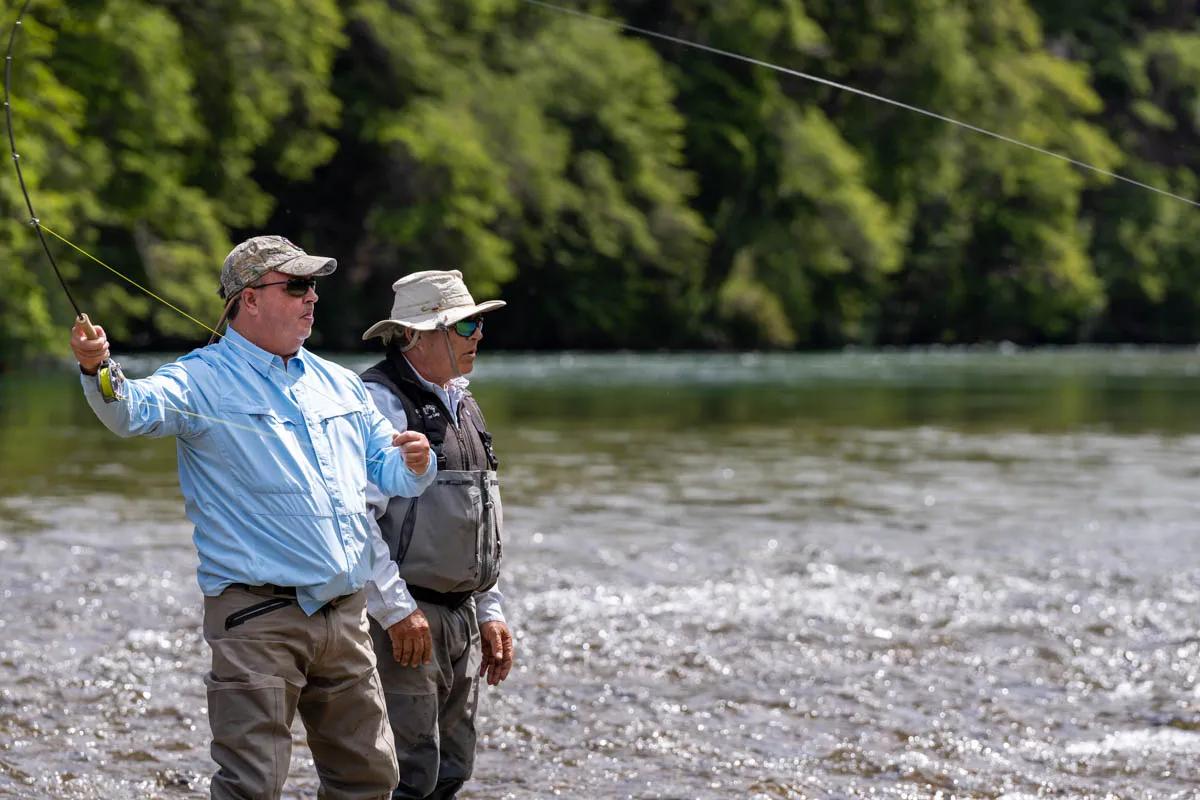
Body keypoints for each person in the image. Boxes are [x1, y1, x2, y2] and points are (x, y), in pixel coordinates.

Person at [69, 235, 437, 800]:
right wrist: (98, 367)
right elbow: (131, 410)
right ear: (249, 299)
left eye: (313, 285)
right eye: (296, 285)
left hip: (345, 615)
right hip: (255, 616)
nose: (312, 297)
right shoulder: (199, 378)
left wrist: (415, 462)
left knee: (370, 777)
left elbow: (387, 472)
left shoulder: (338, 381)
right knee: (252, 785)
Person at [359, 270, 515, 799]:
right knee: (406, 773)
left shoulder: (463, 401)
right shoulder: (379, 401)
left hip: (460, 616)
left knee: (453, 769)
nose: (478, 335)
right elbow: (357, 521)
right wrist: (397, 611)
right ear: (417, 334)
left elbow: (479, 520)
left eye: (476, 324)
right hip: (405, 619)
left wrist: (489, 610)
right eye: (465, 325)